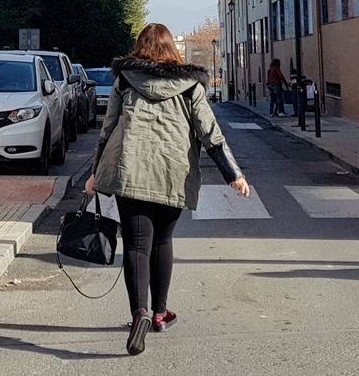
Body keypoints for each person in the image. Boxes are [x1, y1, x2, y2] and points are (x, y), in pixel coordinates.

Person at [85, 23, 250, 356]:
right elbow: (210, 133)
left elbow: (108, 129)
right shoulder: (191, 85)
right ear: (171, 50)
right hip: (174, 171)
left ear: (139, 48)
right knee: (162, 240)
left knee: (135, 245)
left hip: (128, 169)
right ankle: (160, 314)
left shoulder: (125, 80)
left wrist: (94, 173)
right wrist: (233, 173)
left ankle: (139, 313)